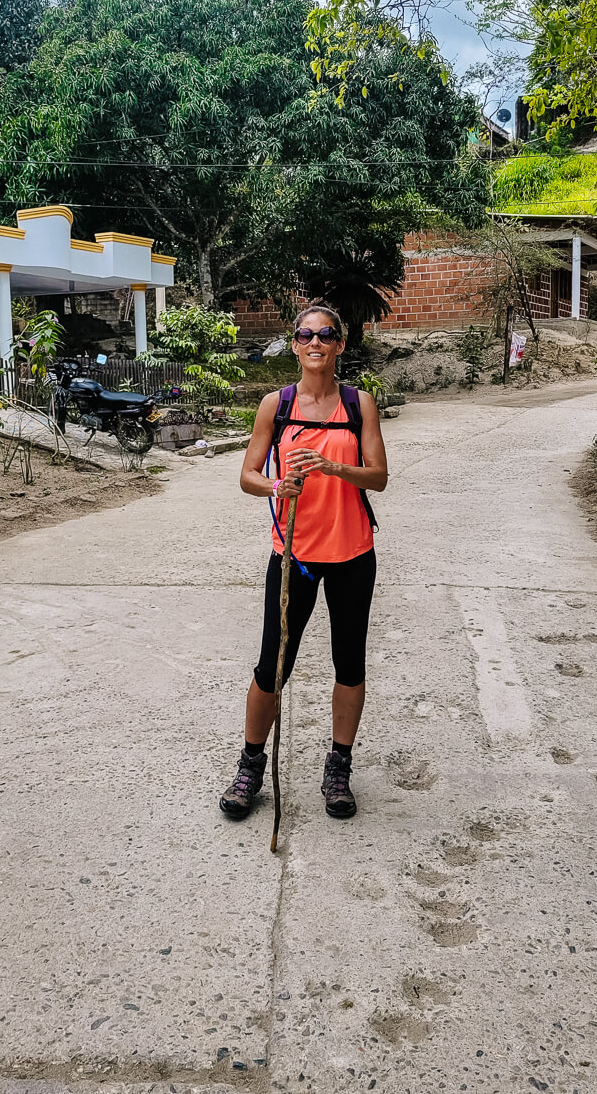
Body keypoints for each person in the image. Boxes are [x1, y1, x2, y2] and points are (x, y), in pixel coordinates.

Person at [220, 304, 389, 821]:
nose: (315, 342)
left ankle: (339, 767)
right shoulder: (277, 404)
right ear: (294, 345)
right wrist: (276, 484)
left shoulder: (360, 404)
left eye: (327, 335)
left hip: (352, 554)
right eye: (305, 335)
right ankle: (251, 765)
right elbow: (248, 474)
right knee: (273, 665)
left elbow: (378, 476)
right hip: (293, 555)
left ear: (340, 345)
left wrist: (335, 466)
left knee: (349, 661)